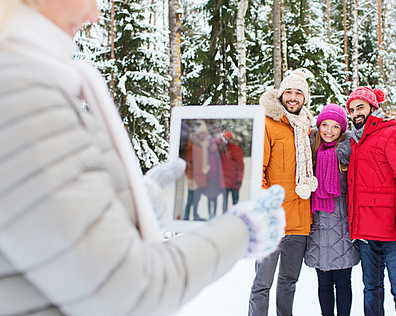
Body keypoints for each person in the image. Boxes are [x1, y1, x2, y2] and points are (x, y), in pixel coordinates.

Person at [0, 1, 286, 315]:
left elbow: (48, 234)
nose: (94, 15)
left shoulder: (27, 81)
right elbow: (127, 288)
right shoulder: (22, 93)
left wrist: (137, 205)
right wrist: (243, 230)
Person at [346, 86, 396, 316]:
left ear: (373, 107)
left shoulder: (392, 133)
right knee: (372, 290)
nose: (355, 113)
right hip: (367, 235)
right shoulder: (354, 141)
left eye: (360, 107)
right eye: (351, 109)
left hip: (393, 232)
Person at [248, 69, 317, 316]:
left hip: (299, 222)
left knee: (288, 283)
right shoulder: (268, 123)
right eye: (288, 91)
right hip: (274, 220)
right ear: (281, 95)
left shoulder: (308, 128)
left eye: (298, 93)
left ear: (304, 98)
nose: (293, 97)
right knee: (262, 285)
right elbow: (258, 171)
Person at [304, 104, 360, 316]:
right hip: (317, 225)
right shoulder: (310, 153)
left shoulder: (348, 153)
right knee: (324, 281)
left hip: (342, 225)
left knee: (344, 282)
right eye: (325, 125)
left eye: (335, 126)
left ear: (342, 130)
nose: (329, 131)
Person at [183, 121, 210, 220]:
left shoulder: (203, 145)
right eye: (201, 133)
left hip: (201, 176)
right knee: (190, 198)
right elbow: (188, 162)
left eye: (204, 133)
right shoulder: (192, 145)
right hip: (193, 176)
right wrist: (190, 175)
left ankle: (195, 215)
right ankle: (186, 217)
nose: (203, 135)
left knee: (197, 198)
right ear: (198, 134)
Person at [218, 131, 244, 213]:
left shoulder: (232, 149)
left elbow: (239, 165)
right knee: (229, 202)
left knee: (231, 202)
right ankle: (229, 217)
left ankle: (229, 217)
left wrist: (239, 178)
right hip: (228, 180)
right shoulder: (222, 150)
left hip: (232, 180)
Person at [205, 135, 223, 218]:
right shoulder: (207, 154)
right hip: (209, 178)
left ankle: (214, 214)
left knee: (215, 197)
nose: (214, 147)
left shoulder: (218, 155)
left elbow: (220, 167)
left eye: (215, 146)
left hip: (216, 179)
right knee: (209, 197)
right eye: (212, 145)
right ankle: (209, 213)